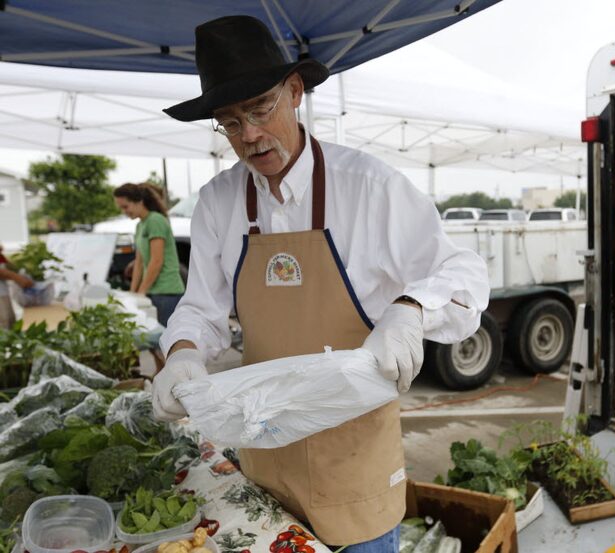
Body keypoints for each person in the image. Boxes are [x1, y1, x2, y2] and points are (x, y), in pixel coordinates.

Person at [153, 15, 489, 552]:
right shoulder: (218, 203)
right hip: (263, 456)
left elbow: (464, 277)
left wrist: (408, 310)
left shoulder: (370, 187)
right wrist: (184, 353)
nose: (250, 136)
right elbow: (200, 308)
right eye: (230, 123)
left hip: (354, 458)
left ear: (294, 91)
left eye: (260, 109)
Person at [113, 183, 185, 327]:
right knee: (153, 342)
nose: (124, 212)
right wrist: (133, 293)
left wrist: (142, 291)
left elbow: (156, 261)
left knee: (164, 342)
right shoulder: (140, 225)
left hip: (167, 292)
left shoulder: (155, 221)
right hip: (153, 291)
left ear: (139, 202)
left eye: (125, 207)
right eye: (121, 208)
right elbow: (139, 263)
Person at [0, 245, 33, 330]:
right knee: (4, 322)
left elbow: (6, 268)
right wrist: (16, 277)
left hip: (3, 292)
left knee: (9, 321)